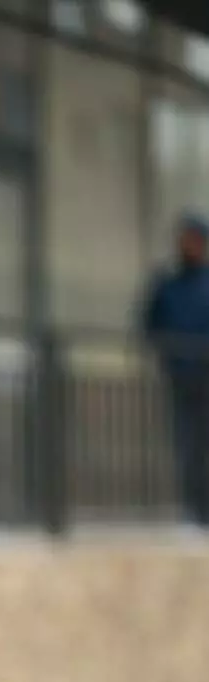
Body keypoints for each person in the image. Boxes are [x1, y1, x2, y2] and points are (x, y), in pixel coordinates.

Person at [143, 214, 209, 526]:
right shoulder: (167, 285)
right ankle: (195, 510)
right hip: (182, 380)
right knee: (189, 448)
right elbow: (151, 326)